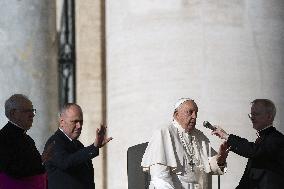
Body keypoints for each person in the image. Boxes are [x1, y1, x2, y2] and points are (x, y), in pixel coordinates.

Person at [141, 98, 229, 189]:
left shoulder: (200, 136)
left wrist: (220, 159)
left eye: (196, 113)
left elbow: (210, 166)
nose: (194, 116)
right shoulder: (164, 132)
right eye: (190, 112)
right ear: (176, 115)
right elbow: (160, 178)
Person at [212, 99, 284, 189]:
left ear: (269, 117)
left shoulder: (277, 139)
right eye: (251, 114)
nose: (252, 118)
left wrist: (227, 136)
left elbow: (253, 151)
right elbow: (248, 179)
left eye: (256, 114)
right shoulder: (262, 139)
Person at [43, 103, 112, 189]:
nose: (79, 126)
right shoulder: (54, 142)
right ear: (62, 122)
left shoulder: (79, 145)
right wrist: (93, 147)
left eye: (81, 121)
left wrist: (94, 147)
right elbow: (66, 162)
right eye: (74, 121)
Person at [0, 94, 46, 189]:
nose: (32, 115)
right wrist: (43, 161)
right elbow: (15, 170)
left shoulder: (27, 139)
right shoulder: (3, 138)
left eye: (32, 111)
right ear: (13, 113)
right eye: (27, 111)